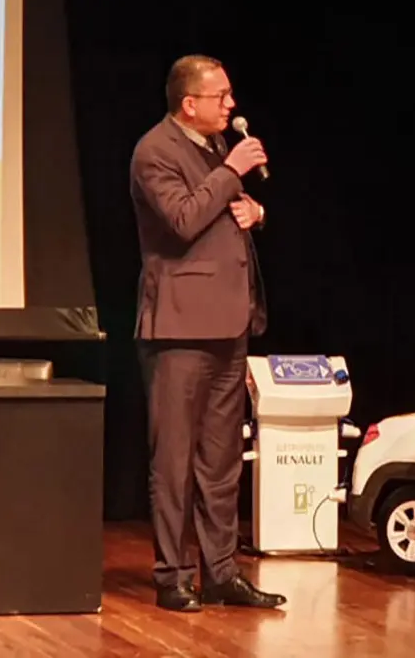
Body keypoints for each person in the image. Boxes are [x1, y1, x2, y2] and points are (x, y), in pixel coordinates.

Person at [130, 54, 286, 613]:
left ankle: (221, 572)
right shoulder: (154, 152)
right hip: (178, 329)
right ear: (189, 103)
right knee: (174, 462)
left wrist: (256, 213)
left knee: (221, 463)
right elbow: (182, 220)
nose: (232, 105)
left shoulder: (216, 146)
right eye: (222, 96)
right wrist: (232, 173)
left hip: (228, 326)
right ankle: (173, 576)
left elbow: (221, 213)